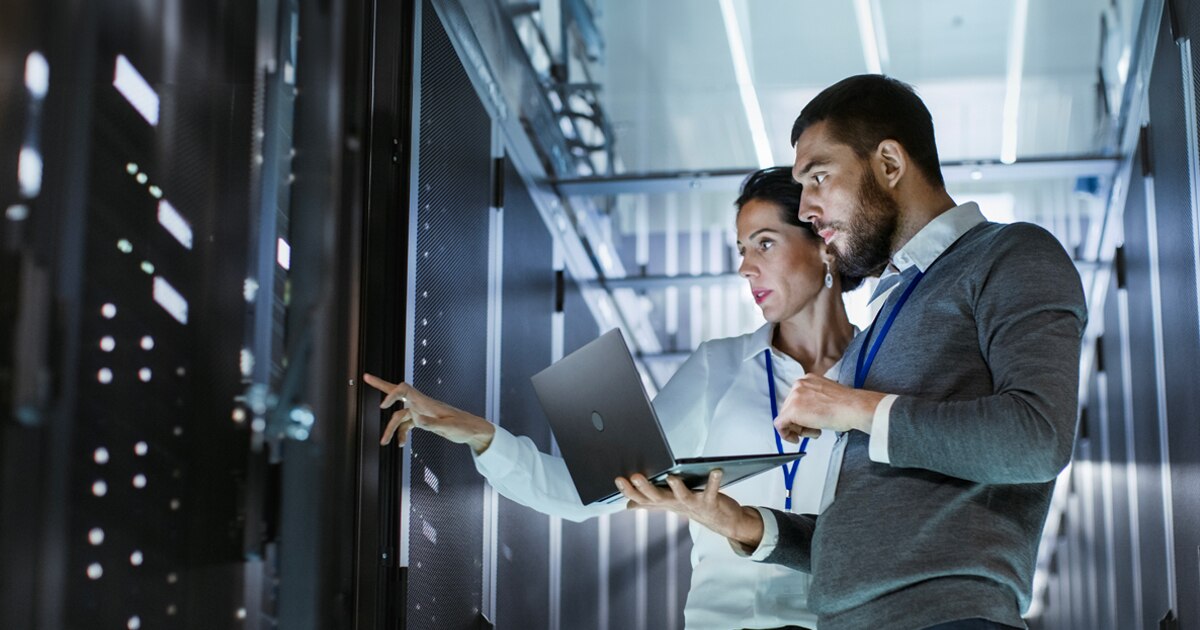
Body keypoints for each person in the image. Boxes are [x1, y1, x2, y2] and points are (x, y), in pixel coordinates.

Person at [618, 75, 1087, 630]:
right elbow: (862, 543)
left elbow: (1037, 438)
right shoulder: (888, 313)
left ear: (889, 163)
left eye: (818, 177)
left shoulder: (1010, 254)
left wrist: (856, 408)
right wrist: (743, 523)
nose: (809, 207)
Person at [363, 166, 865, 630]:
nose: (746, 269)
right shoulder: (720, 367)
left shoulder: (879, 377)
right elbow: (588, 495)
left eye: (764, 244)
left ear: (823, 243)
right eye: (741, 249)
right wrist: (478, 434)